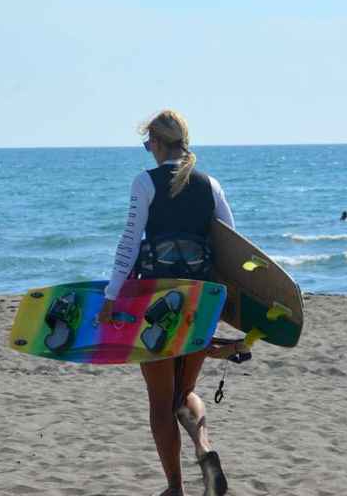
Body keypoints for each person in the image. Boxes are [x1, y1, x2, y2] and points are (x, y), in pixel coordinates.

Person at [100, 110, 233, 496]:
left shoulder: (145, 182)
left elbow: (129, 243)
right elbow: (231, 248)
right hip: (201, 302)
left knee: (161, 402)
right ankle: (204, 447)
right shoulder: (212, 185)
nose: (149, 151)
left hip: (157, 301)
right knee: (183, 393)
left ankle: (175, 487)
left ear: (157, 143)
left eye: (148, 144)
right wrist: (225, 305)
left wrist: (112, 295)